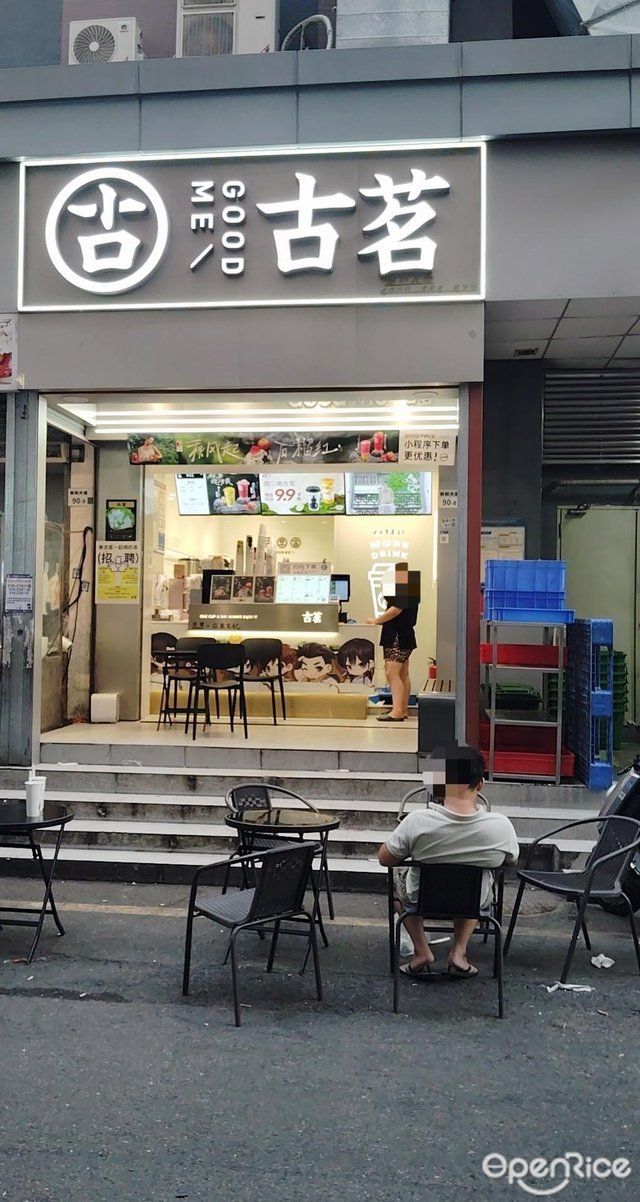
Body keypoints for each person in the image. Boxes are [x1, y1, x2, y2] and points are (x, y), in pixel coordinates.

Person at [377, 745, 519, 978]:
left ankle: (421, 951)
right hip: (474, 901)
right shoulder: (501, 826)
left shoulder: (417, 821)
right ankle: (459, 952)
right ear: (480, 784)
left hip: (421, 899)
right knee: (476, 882)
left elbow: (385, 859)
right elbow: (511, 860)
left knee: (396, 884)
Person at [366, 561, 419, 722]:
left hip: (397, 636)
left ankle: (397, 711)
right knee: (403, 674)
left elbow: (395, 610)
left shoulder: (403, 590)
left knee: (392, 673)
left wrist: (376, 620)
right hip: (406, 635)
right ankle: (402, 709)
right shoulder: (412, 589)